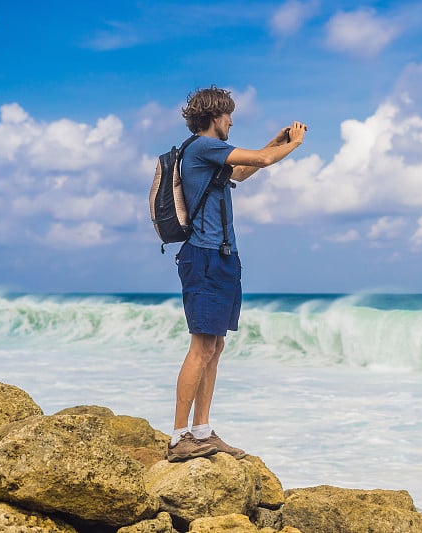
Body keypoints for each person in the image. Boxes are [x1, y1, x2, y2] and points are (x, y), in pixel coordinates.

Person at [166, 85, 307, 462]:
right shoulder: (200, 146)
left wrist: (275, 141)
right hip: (205, 257)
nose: (231, 121)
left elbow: (243, 171)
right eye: (228, 115)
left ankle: (202, 430)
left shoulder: (210, 155)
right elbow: (260, 160)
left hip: (222, 257)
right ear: (214, 117)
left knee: (215, 345)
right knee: (201, 346)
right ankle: (180, 438)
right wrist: (293, 144)